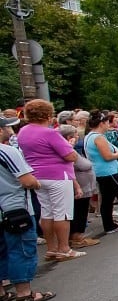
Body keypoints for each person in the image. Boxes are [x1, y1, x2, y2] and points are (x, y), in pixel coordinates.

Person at [16, 99, 83, 261]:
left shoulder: (23, 131)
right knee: (62, 213)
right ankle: (64, 248)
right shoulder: (50, 133)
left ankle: (51, 248)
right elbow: (70, 156)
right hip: (58, 175)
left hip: (37, 175)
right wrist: (71, 147)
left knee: (47, 213)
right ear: (47, 114)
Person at [0, 116, 55, 301]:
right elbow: (27, 180)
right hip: (14, 208)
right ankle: (24, 293)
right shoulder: (6, 151)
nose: (10, 130)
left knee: (2, 250)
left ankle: (1, 292)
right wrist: (37, 183)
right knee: (21, 250)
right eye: (7, 127)